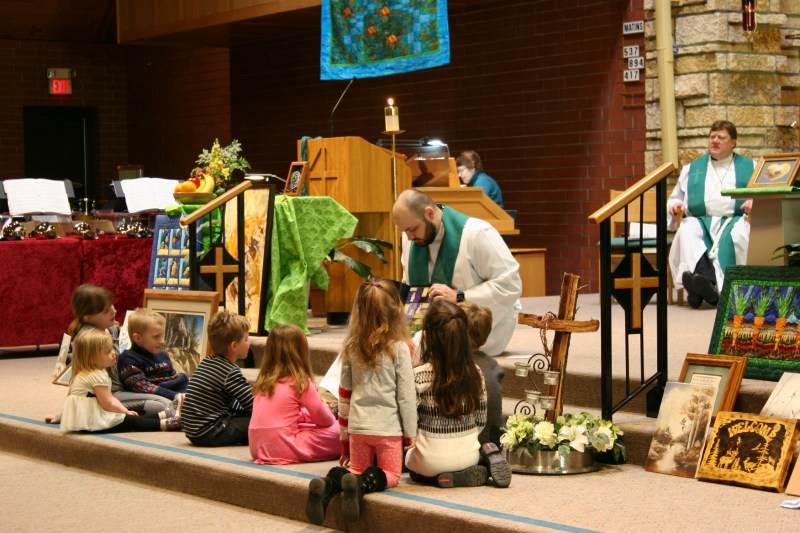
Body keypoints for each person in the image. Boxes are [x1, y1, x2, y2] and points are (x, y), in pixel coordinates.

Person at [305, 279, 417, 525]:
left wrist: (344, 438)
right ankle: (362, 484)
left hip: (357, 427)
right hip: (387, 429)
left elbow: (344, 394)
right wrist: (411, 431)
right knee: (390, 474)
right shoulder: (399, 349)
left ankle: (328, 484)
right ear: (396, 312)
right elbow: (406, 395)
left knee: (354, 469)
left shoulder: (351, 347)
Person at [392, 188, 522, 356]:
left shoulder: (477, 233)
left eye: (412, 229)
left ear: (429, 213)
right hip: (433, 330)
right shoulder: (410, 238)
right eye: (404, 231)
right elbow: (412, 287)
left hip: (479, 332)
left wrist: (460, 297)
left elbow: (510, 285)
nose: (409, 237)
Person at [405, 299, 511, 488]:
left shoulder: (418, 376)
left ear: (426, 337)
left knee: (410, 465)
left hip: (428, 462)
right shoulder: (475, 373)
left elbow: (410, 425)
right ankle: (467, 467)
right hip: (469, 458)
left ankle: (437, 477)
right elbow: (480, 421)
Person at [46, 284, 175, 424]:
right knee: (162, 405)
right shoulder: (86, 338)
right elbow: (78, 375)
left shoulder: (111, 328)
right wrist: (67, 414)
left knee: (169, 400)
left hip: (123, 388)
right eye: (106, 310)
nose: (114, 310)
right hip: (106, 394)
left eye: (112, 305)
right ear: (88, 317)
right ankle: (98, 411)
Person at [667, 120, 754, 308]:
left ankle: (703, 287)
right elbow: (675, 197)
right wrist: (675, 204)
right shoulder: (693, 168)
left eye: (721, 138)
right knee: (685, 231)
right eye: (712, 137)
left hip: (735, 219)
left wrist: (753, 202)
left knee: (740, 234)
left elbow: (763, 194)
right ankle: (707, 282)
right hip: (701, 220)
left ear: (733, 142)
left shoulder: (751, 167)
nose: (715, 141)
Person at [60, 328, 181, 433]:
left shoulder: (87, 372)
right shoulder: (96, 376)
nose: (114, 354)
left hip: (88, 418)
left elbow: (110, 399)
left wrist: (124, 410)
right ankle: (167, 424)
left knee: (132, 414)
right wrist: (124, 412)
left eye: (112, 349)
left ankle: (164, 414)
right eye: (108, 352)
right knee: (130, 420)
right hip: (91, 421)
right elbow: (108, 403)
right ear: (92, 358)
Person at [249, 323, 339, 464]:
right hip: (282, 446)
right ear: (301, 351)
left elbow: (284, 416)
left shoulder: (263, 381)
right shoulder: (299, 381)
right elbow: (325, 420)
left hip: (256, 447)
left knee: (307, 426)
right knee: (341, 431)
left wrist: (308, 417)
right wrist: (328, 410)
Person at [181, 311, 254, 447]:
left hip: (193, 431)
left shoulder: (207, 361)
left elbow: (234, 401)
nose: (249, 342)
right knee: (257, 422)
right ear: (234, 346)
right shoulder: (230, 372)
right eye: (246, 339)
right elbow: (253, 405)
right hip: (209, 432)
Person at [458, 301, 505, 447]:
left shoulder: (451, 364)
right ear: (485, 339)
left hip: (465, 440)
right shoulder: (492, 365)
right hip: (495, 438)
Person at [117, 308, 189, 401]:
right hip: (167, 396)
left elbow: (174, 377)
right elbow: (141, 386)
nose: (162, 341)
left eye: (162, 335)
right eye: (156, 337)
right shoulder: (127, 359)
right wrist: (177, 396)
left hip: (181, 390)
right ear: (138, 338)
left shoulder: (163, 355)